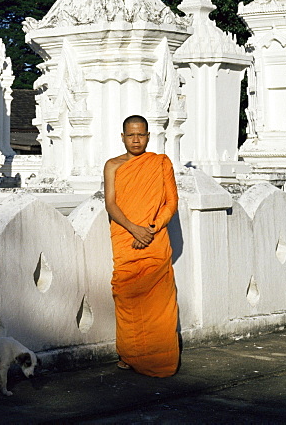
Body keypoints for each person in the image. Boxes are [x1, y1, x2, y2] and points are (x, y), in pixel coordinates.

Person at [103, 114, 179, 377]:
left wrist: (151, 228)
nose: (136, 140)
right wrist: (134, 228)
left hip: (154, 240)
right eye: (131, 135)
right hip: (126, 238)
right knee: (126, 297)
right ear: (122, 137)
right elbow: (111, 204)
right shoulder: (112, 165)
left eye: (141, 134)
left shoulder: (160, 163)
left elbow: (171, 202)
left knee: (158, 304)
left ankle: (160, 361)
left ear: (148, 136)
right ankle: (130, 355)